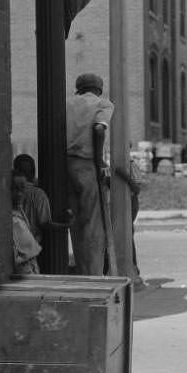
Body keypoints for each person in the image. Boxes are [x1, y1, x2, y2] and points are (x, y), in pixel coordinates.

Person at [66, 72, 114, 275]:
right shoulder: (103, 104)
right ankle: (93, 276)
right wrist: (99, 161)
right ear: (99, 89)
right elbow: (99, 129)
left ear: (78, 88)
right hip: (86, 165)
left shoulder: (67, 103)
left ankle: (80, 268)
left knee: (73, 224)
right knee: (92, 226)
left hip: (65, 164)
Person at [114, 151, 146, 288]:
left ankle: (133, 268)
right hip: (119, 204)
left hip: (131, 203)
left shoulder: (131, 165)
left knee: (127, 234)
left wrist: (124, 176)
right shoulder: (112, 164)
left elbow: (137, 188)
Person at [11, 154, 52, 246]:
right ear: (34, 171)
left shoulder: (9, 193)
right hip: (31, 246)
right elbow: (45, 224)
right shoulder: (39, 194)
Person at [11, 173, 41, 274]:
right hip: (22, 269)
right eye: (15, 189)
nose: (19, 194)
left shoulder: (19, 211)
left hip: (32, 266)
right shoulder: (9, 218)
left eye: (22, 189)